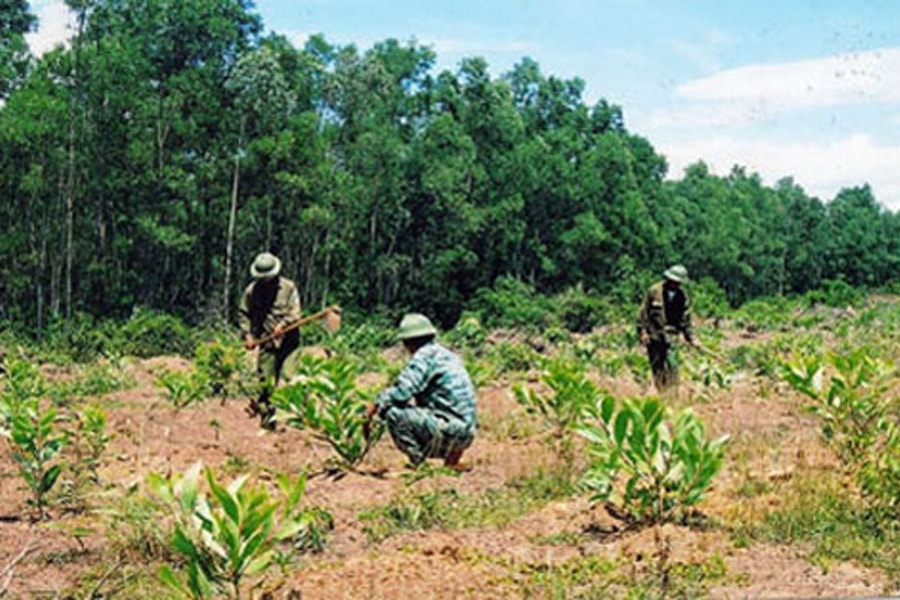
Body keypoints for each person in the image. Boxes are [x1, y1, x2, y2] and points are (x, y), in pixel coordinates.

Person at [365, 313, 477, 471]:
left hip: (451, 431)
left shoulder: (423, 357)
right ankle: (452, 462)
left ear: (407, 342)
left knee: (394, 413)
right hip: (466, 433)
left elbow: (402, 392)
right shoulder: (447, 355)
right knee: (445, 409)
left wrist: (374, 406)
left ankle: (419, 465)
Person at [239, 252, 301, 429]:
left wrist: (283, 325)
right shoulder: (252, 291)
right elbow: (244, 314)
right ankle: (267, 422)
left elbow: (295, 313)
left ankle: (298, 424)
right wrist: (248, 335)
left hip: (290, 343)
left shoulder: (289, 288)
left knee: (290, 380)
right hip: (266, 342)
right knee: (265, 383)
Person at [636, 264, 698, 393]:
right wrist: (643, 332)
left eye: (678, 283)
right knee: (657, 369)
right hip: (654, 336)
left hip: (671, 337)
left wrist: (691, 338)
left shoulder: (682, 296)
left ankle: (673, 396)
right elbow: (643, 313)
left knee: (673, 366)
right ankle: (662, 394)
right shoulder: (654, 291)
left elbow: (685, 320)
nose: (675, 285)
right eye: (673, 281)